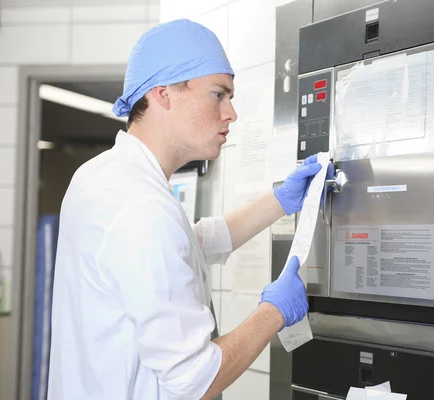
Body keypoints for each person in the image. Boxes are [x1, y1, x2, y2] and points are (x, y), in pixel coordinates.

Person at [47, 19, 331, 400]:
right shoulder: (139, 205)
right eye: (219, 94)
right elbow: (195, 379)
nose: (231, 113)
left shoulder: (103, 177)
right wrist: (273, 312)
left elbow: (187, 245)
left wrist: (279, 201)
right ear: (164, 94)